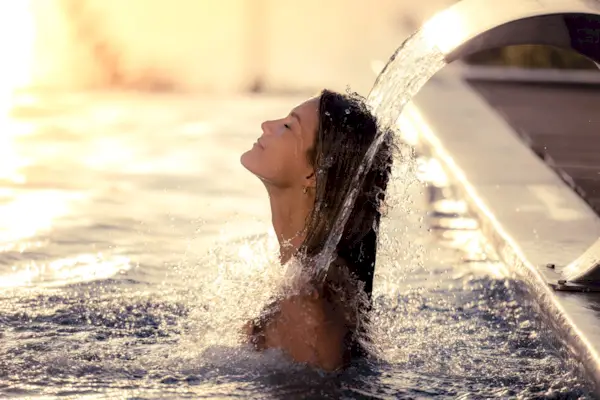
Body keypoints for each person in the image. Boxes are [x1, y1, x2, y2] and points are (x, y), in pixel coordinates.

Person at [240, 89, 393, 372]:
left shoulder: (306, 302)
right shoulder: (306, 277)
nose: (267, 125)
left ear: (312, 174)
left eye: (288, 126)